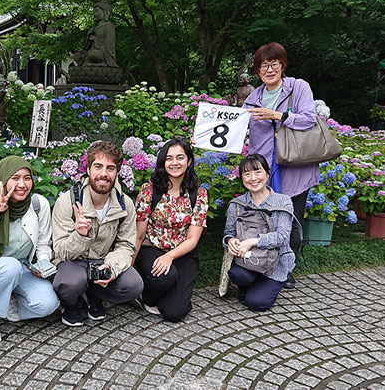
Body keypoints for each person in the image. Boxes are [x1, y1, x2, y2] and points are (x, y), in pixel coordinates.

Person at [243, 42, 319, 289]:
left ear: (282, 65)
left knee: (291, 218)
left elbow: (309, 119)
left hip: (295, 165)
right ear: (257, 71)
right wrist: (201, 137)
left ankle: (286, 269)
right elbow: (234, 130)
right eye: (263, 65)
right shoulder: (252, 99)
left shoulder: (299, 87)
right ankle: (264, 264)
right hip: (265, 170)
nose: (269, 69)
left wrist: (277, 115)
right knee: (266, 219)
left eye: (274, 63)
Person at [0, 156, 59, 344]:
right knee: (9, 266)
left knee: (48, 304)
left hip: (22, 268)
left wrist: (44, 262)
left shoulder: (39, 205)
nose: (22, 184)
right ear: (3, 180)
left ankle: (7, 298)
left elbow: (42, 242)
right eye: (15, 178)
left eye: (27, 178)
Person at [52, 141, 143, 326]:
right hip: (73, 261)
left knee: (134, 285)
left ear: (117, 172)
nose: (103, 174)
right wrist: (80, 235)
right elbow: (60, 252)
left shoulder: (125, 204)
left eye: (110, 168)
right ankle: (69, 304)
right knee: (68, 285)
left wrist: (112, 268)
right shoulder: (67, 201)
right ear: (88, 169)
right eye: (98, 167)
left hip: (102, 260)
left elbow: (126, 245)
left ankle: (94, 294)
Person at [134, 138, 208, 322]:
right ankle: (146, 294)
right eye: (169, 158)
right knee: (166, 277)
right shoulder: (149, 190)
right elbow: (139, 234)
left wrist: (170, 256)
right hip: (151, 247)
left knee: (175, 312)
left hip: (182, 251)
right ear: (162, 162)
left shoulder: (199, 194)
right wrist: (129, 267)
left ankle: (170, 290)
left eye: (180, 157)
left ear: (189, 161)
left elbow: (192, 239)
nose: (174, 163)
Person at [222, 154, 295, 311]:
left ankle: (268, 284)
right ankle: (251, 285)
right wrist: (230, 241)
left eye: (258, 172)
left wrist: (253, 241)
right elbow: (228, 233)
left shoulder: (283, 201)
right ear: (242, 178)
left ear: (267, 174)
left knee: (257, 303)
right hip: (248, 260)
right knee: (237, 274)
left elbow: (282, 237)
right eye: (247, 174)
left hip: (275, 263)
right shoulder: (236, 205)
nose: (253, 178)